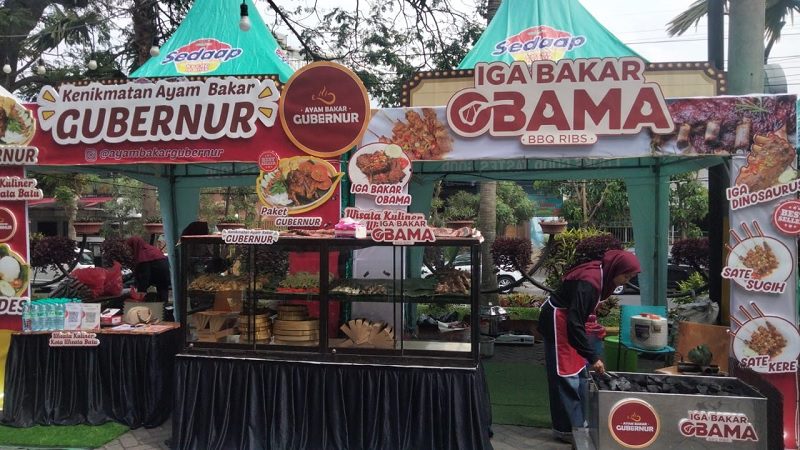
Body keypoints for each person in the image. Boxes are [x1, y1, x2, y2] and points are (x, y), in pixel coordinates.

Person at [537, 249, 641, 443]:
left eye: (630, 277)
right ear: (616, 269)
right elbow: (574, 321)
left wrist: (588, 354)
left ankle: (579, 424)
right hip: (559, 321)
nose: (627, 281)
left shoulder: (602, 275)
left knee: (578, 373)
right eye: (626, 276)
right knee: (567, 376)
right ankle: (569, 431)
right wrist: (593, 357)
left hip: (570, 321)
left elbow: (579, 315)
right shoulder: (589, 282)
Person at [126, 236, 171, 302]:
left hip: (159, 275)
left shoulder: (143, 254)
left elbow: (144, 276)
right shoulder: (150, 249)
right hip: (165, 275)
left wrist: (141, 292)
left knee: (158, 293)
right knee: (163, 292)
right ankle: (164, 306)